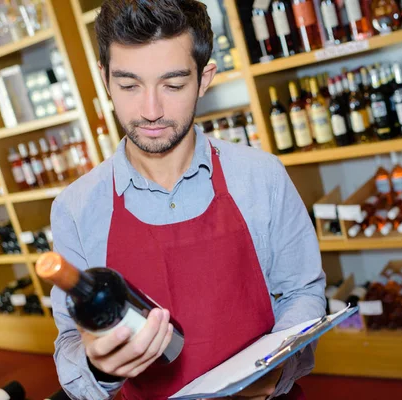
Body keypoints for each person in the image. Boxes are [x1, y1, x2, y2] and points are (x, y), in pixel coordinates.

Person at [49, 0, 326, 399]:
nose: (150, 110)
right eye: (128, 85)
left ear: (204, 78)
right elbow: (69, 346)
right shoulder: (74, 210)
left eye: (173, 85)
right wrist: (99, 368)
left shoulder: (261, 176)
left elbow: (302, 291)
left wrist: (277, 368)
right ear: (105, 80)